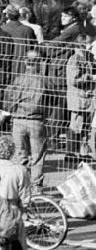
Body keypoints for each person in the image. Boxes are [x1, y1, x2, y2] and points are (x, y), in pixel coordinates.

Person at [4, 51, 47, 192]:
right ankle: (36, 187)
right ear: (39, 62)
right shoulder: (44, 80)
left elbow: (9, 99)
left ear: (25, 62)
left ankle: (21, 186)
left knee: (20, 154)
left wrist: (13, 111)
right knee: (37, 156)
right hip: (36, 120)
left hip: (19, 120)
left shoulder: (18, 79)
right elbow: (53, 100)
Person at [65, 44, 96, 164]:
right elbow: (74, 79)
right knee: (76, 126)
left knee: (85, 127)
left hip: (87, 99)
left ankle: (83, 152)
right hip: (78, 99)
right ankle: (71, 152)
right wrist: (91, 77)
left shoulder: (88, 57)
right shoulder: (74, 59)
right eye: (90, 43)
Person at [0, 136, 29, 250]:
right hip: (11, 207)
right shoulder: (19, 170)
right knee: (18, 239)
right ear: (12, 151)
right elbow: (25, 195)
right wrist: (24, 211)